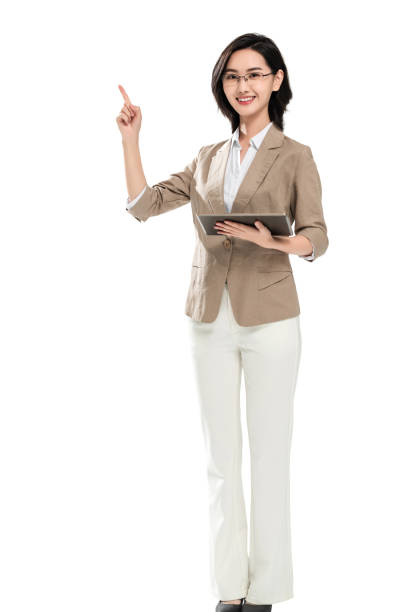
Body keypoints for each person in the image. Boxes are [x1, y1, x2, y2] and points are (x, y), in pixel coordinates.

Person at [117, 32, 328, 612]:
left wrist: (276, 241)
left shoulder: (296, 156)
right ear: (223, 85)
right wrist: (132, 140)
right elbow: (143, 206)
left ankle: (266, 591)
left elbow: (318, 237)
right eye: (234, 76)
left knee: (270, 454)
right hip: (208, 317)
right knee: (220, 460)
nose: (244, 86)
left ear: (276, 81)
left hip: (271, 319)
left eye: (255, 74)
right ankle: (228, 591)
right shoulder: (207, 157)